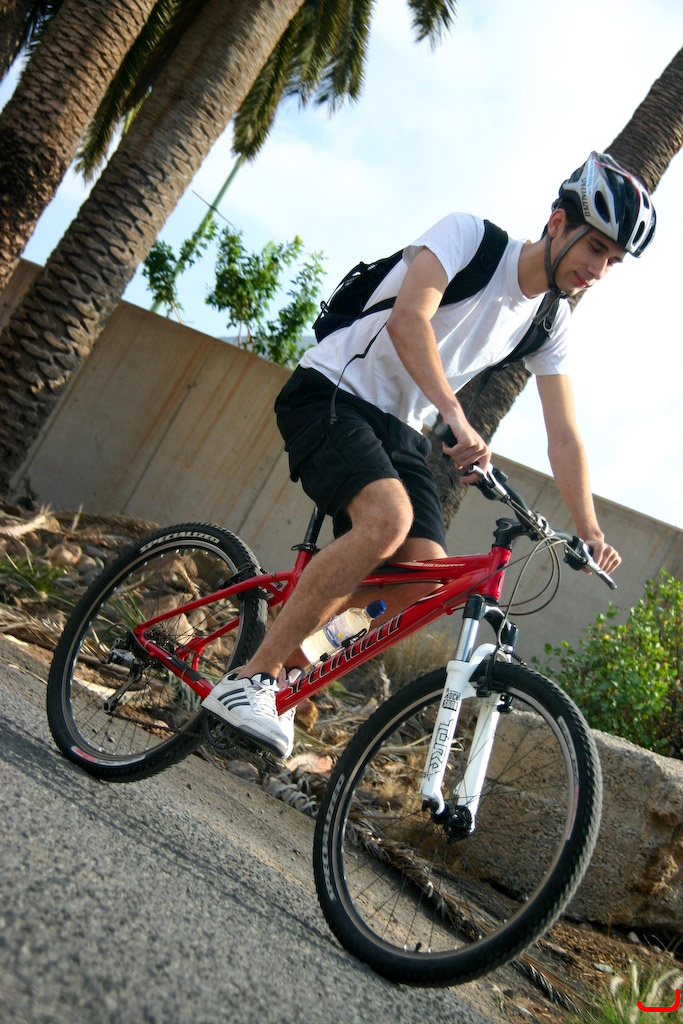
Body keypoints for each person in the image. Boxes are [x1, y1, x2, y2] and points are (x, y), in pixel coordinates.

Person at [202, 151, 656, 757]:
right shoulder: (469, 237)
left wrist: (591, 531)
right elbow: (408, 319)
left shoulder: (551, 323)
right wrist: (455, 416)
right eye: (595, 248)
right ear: (557, 223)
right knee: (387, 521)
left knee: (423, 580)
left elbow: (564, 435)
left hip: (401, 428)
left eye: (613, 260)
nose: (598, 270)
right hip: (334, 389)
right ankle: (251, 680)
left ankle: (288, 665)